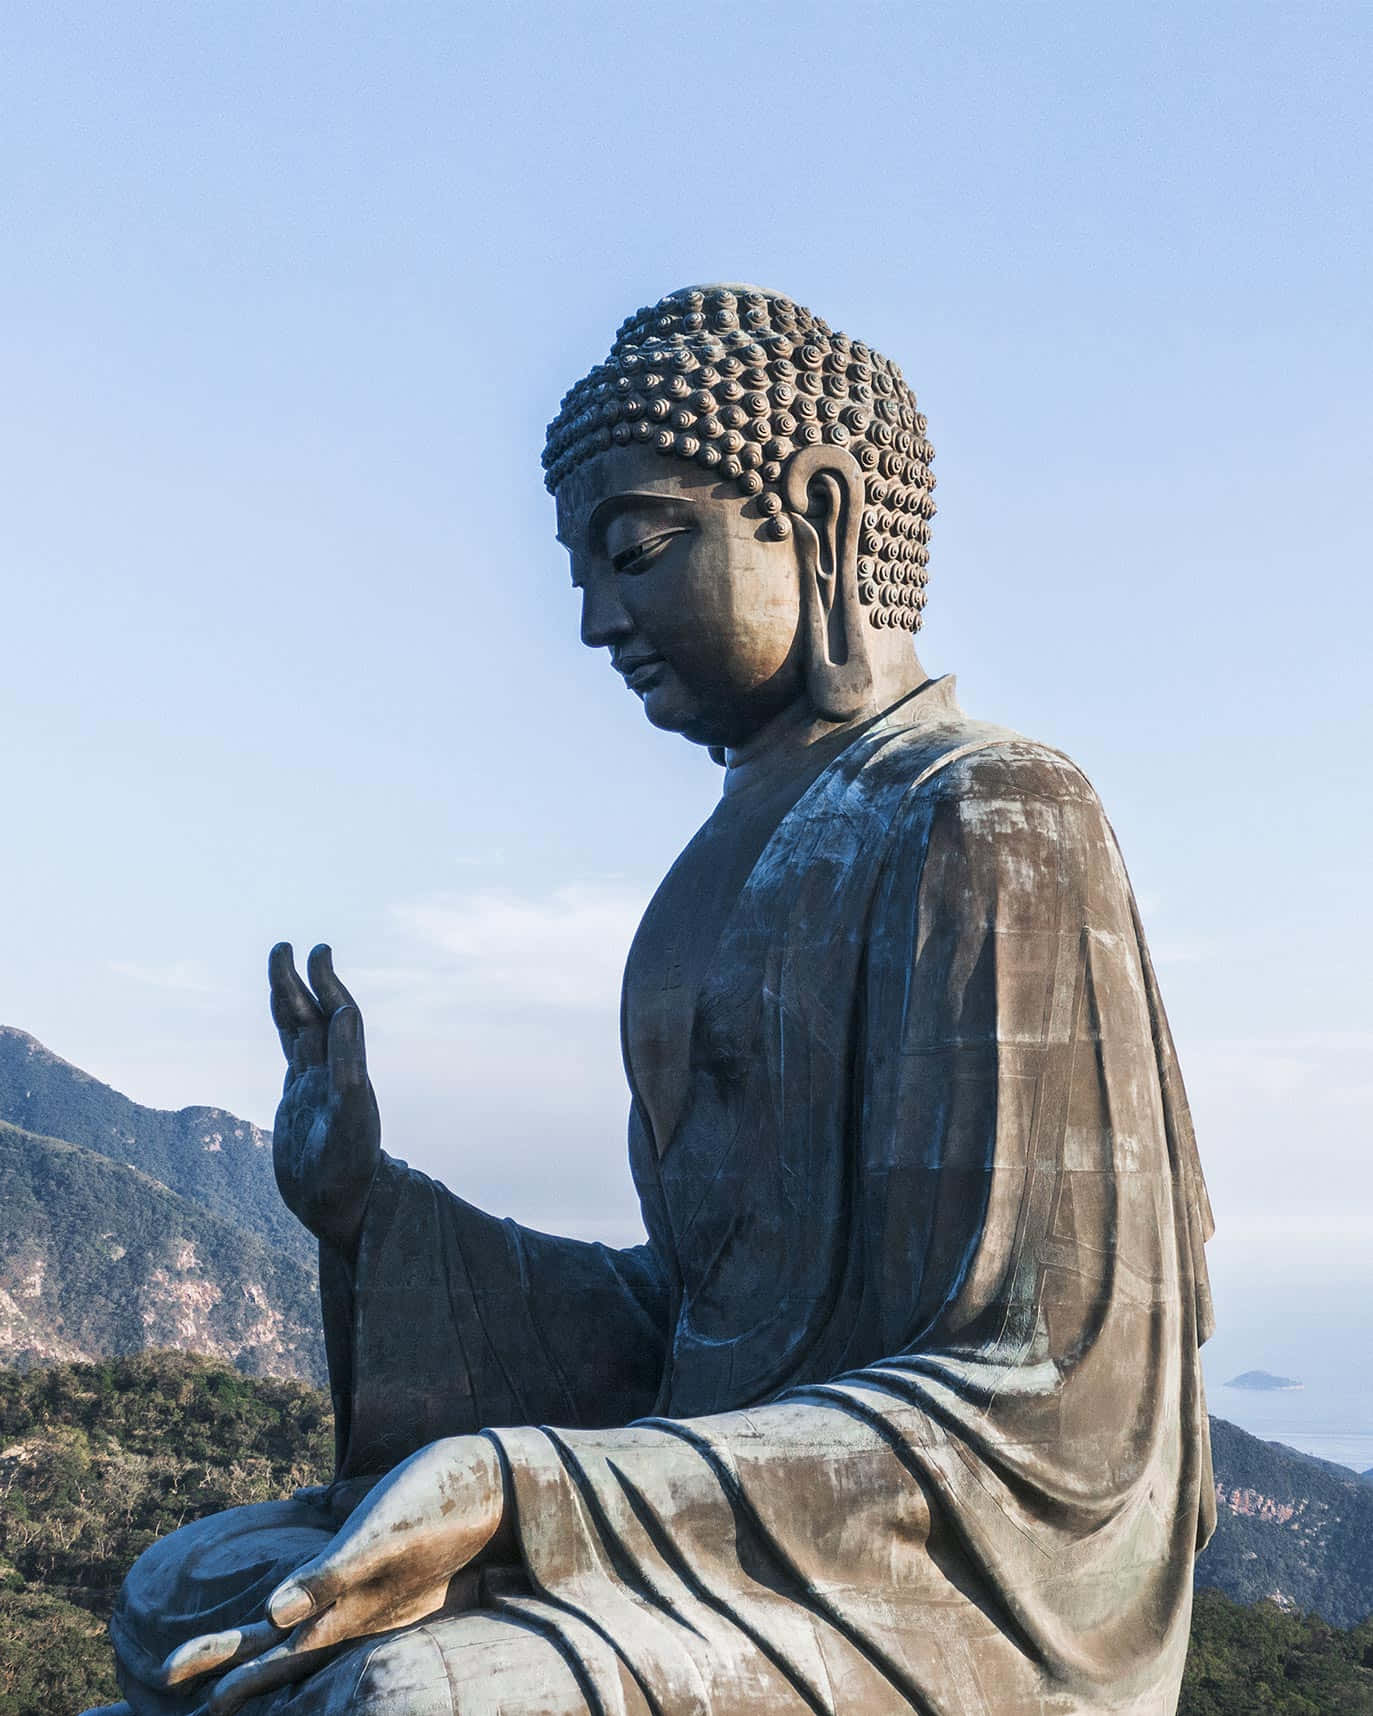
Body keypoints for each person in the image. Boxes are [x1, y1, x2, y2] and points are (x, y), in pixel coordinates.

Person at [100, 285, 1215, 1716]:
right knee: (181, 1587)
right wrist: (373, 1211)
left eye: (635, 550)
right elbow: (692, 1327)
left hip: (939, 1586)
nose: (592, 619)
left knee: (413, 1701)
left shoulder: (993, 814)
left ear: (816, 512)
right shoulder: (716, 867)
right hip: (714, 1511)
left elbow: (1049, 1401)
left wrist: (530, 1486)